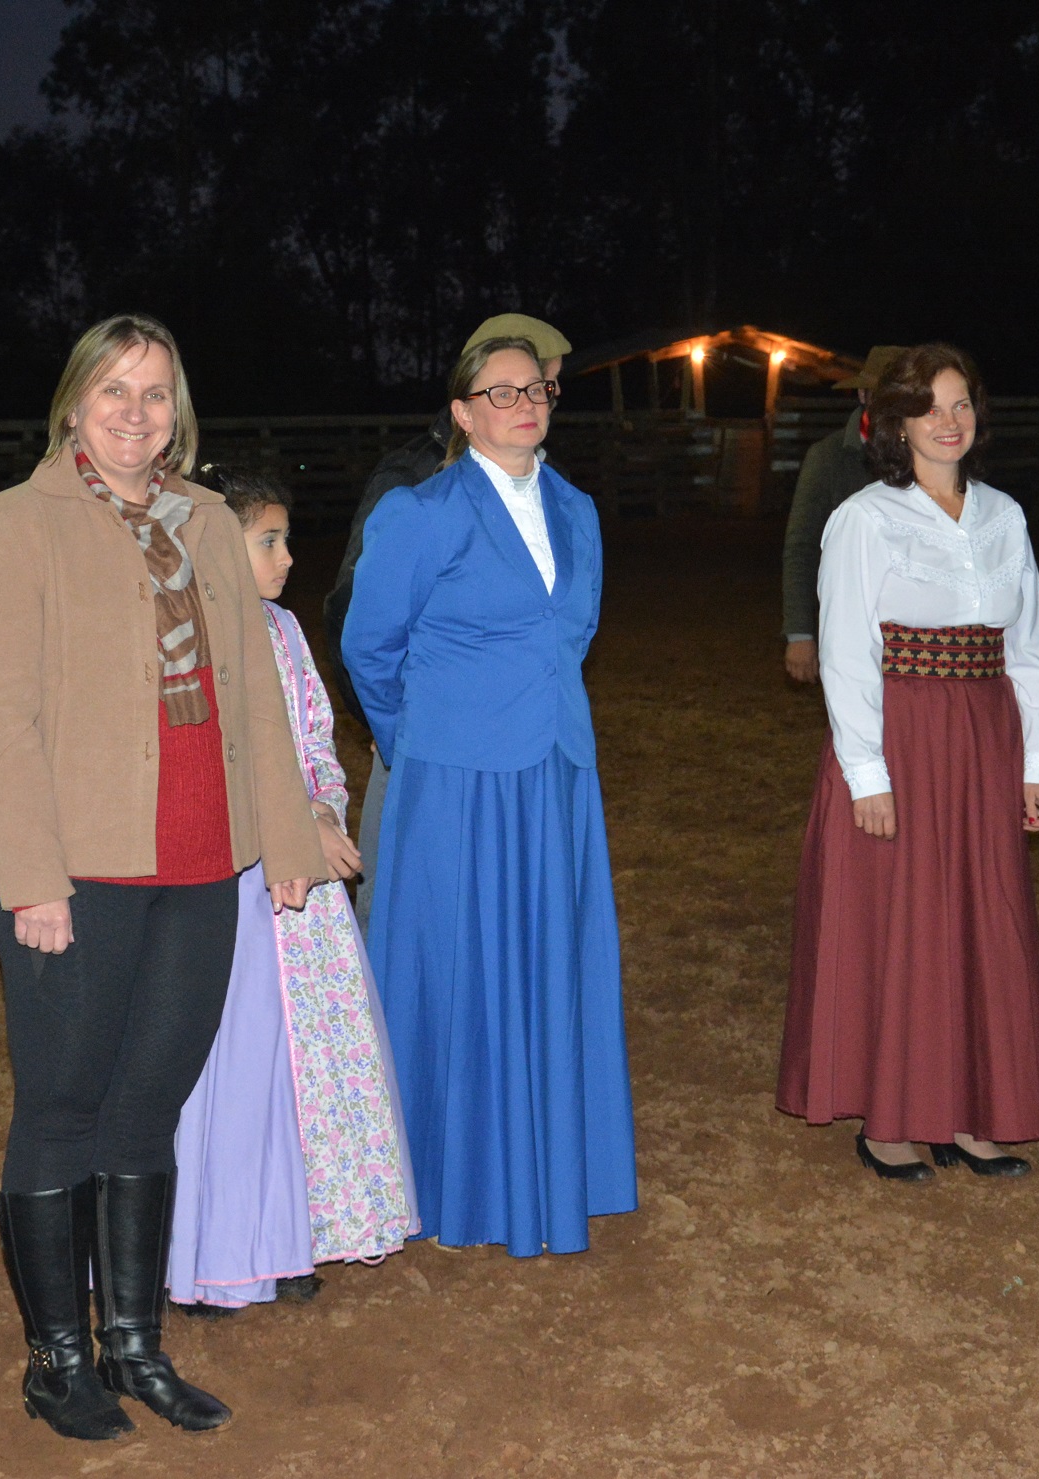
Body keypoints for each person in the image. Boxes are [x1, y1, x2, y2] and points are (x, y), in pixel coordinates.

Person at [0, 315, 327, 1438]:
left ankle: (134, 1345)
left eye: (155, 393)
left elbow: (252, 692)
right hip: (77, 867)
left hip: (203, 859)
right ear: (75, 402)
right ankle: (57, 1359)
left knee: (149, 1104)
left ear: (179, 412)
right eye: (113, 390)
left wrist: (287, 843)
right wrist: (32, 874)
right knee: (62, 1105)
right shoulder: (16, 523)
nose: (134, 412)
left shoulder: (206, 521)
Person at [341, 335, 638, 1255]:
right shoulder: (421, 512)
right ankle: (448, 1177)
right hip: (457, 782)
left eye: (537, 388)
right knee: (459, 972)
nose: (525, 402)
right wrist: (423, 743)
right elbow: (367, 647)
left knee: (550, 965)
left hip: (555, 774)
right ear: (464, 413)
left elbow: (571, 635)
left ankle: (549, 1164)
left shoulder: (577, 509)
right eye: (501, 391)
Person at [780, 342, 1039, 1182]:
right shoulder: (865, 518)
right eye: (929, 407)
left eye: (961, 403)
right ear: (895, 423)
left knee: (979, 920)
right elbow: (845, 651)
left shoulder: (1004, 516)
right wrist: (867, 773)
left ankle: (970, 1111)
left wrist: (1037, 760)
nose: (949, 421)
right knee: (903, 925)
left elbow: (1032, 646)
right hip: (900, 738)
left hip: (985, 739)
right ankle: (892, 1119)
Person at [165, 469, 418, 1316]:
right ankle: (219, 1246)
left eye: (285, 538)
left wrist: (322, 808)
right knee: (235, 1069)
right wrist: (290, 822)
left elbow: (314, 737)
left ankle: (294, 1230)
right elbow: (209, 759)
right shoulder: (190, 635)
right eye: (267, 540)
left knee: (307, 1065)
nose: (287, 557)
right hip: (234, 883)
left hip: (302, 900)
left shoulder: (284, 630)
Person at [325, 313, 570, 921]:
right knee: (408, 893)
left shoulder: (542, 484)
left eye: (544, 385)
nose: (539, 398)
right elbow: (353, 611)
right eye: (520, 384)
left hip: (510, 745)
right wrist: (393, 726)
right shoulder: (411, 478)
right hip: (425, 732)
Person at [779, 345, 901, 683]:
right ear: (863, 395)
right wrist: (800, 633)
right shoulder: (828, 458)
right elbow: (802, 546)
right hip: (851, 628)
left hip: (919, 633)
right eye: (884, 394)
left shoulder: (931, 458)